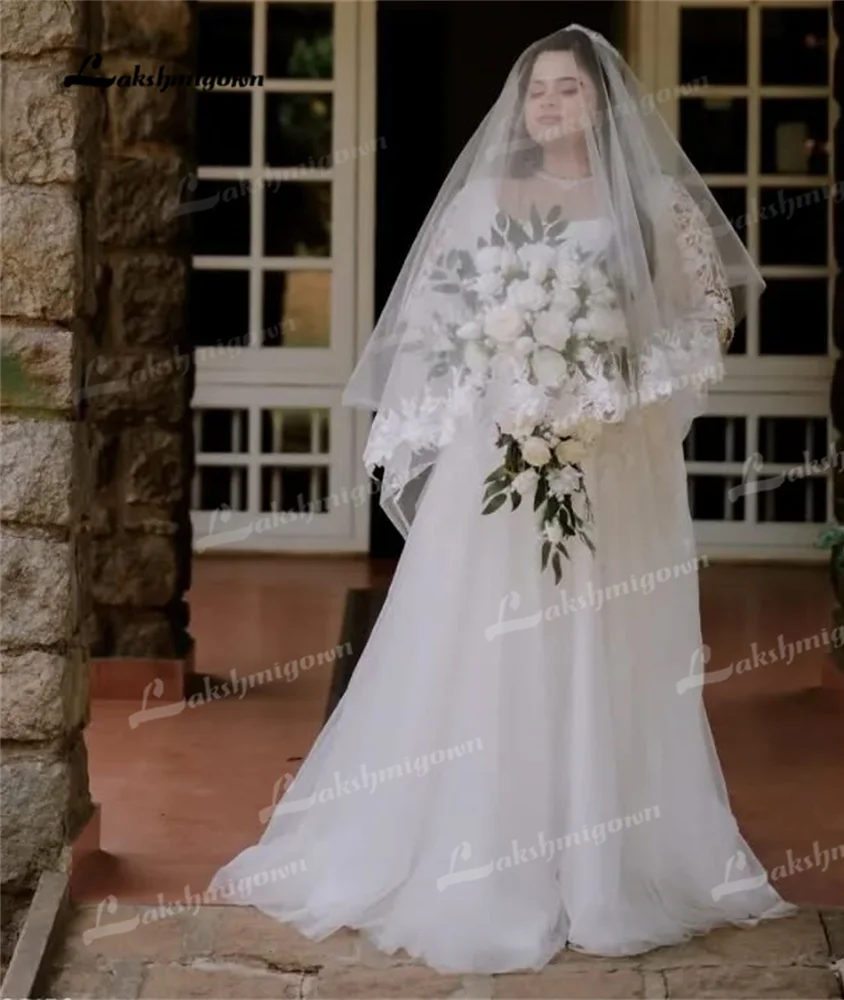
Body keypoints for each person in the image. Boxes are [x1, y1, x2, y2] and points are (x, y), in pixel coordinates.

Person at [210, 24, 795, 974]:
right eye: (537, 92)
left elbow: (706, 313)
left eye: (567, 89)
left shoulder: (647, 198)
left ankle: (606, 856)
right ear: (520, 110)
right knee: (486, 637)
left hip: (606, 459)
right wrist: (504, 384)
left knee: (599, 639)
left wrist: (612, 393)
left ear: (600, 101)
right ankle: (477, 842)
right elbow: (438, 322)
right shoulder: (484, 198)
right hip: (501, 459)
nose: (551, 104)